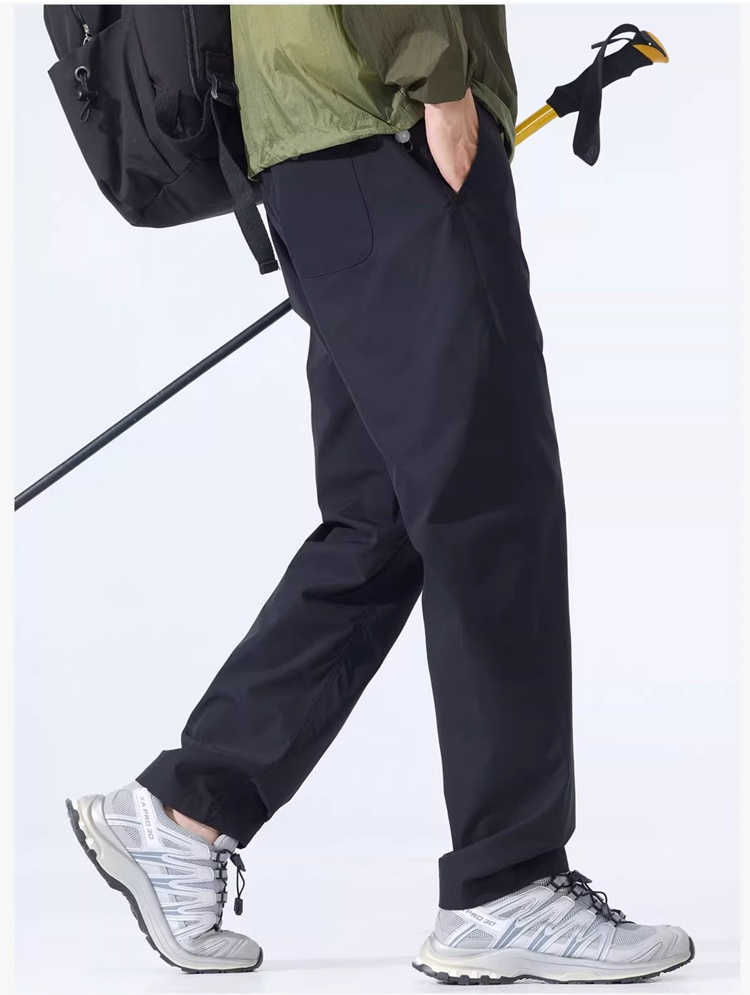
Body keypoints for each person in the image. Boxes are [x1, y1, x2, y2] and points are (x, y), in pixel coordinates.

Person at [67, 5, 693, 983]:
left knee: (385, 521)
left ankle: (182, 815)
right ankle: (508, 882)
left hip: (325, 152)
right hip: (387, 127)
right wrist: (439, 81)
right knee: (493, 504)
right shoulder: (414, 97)